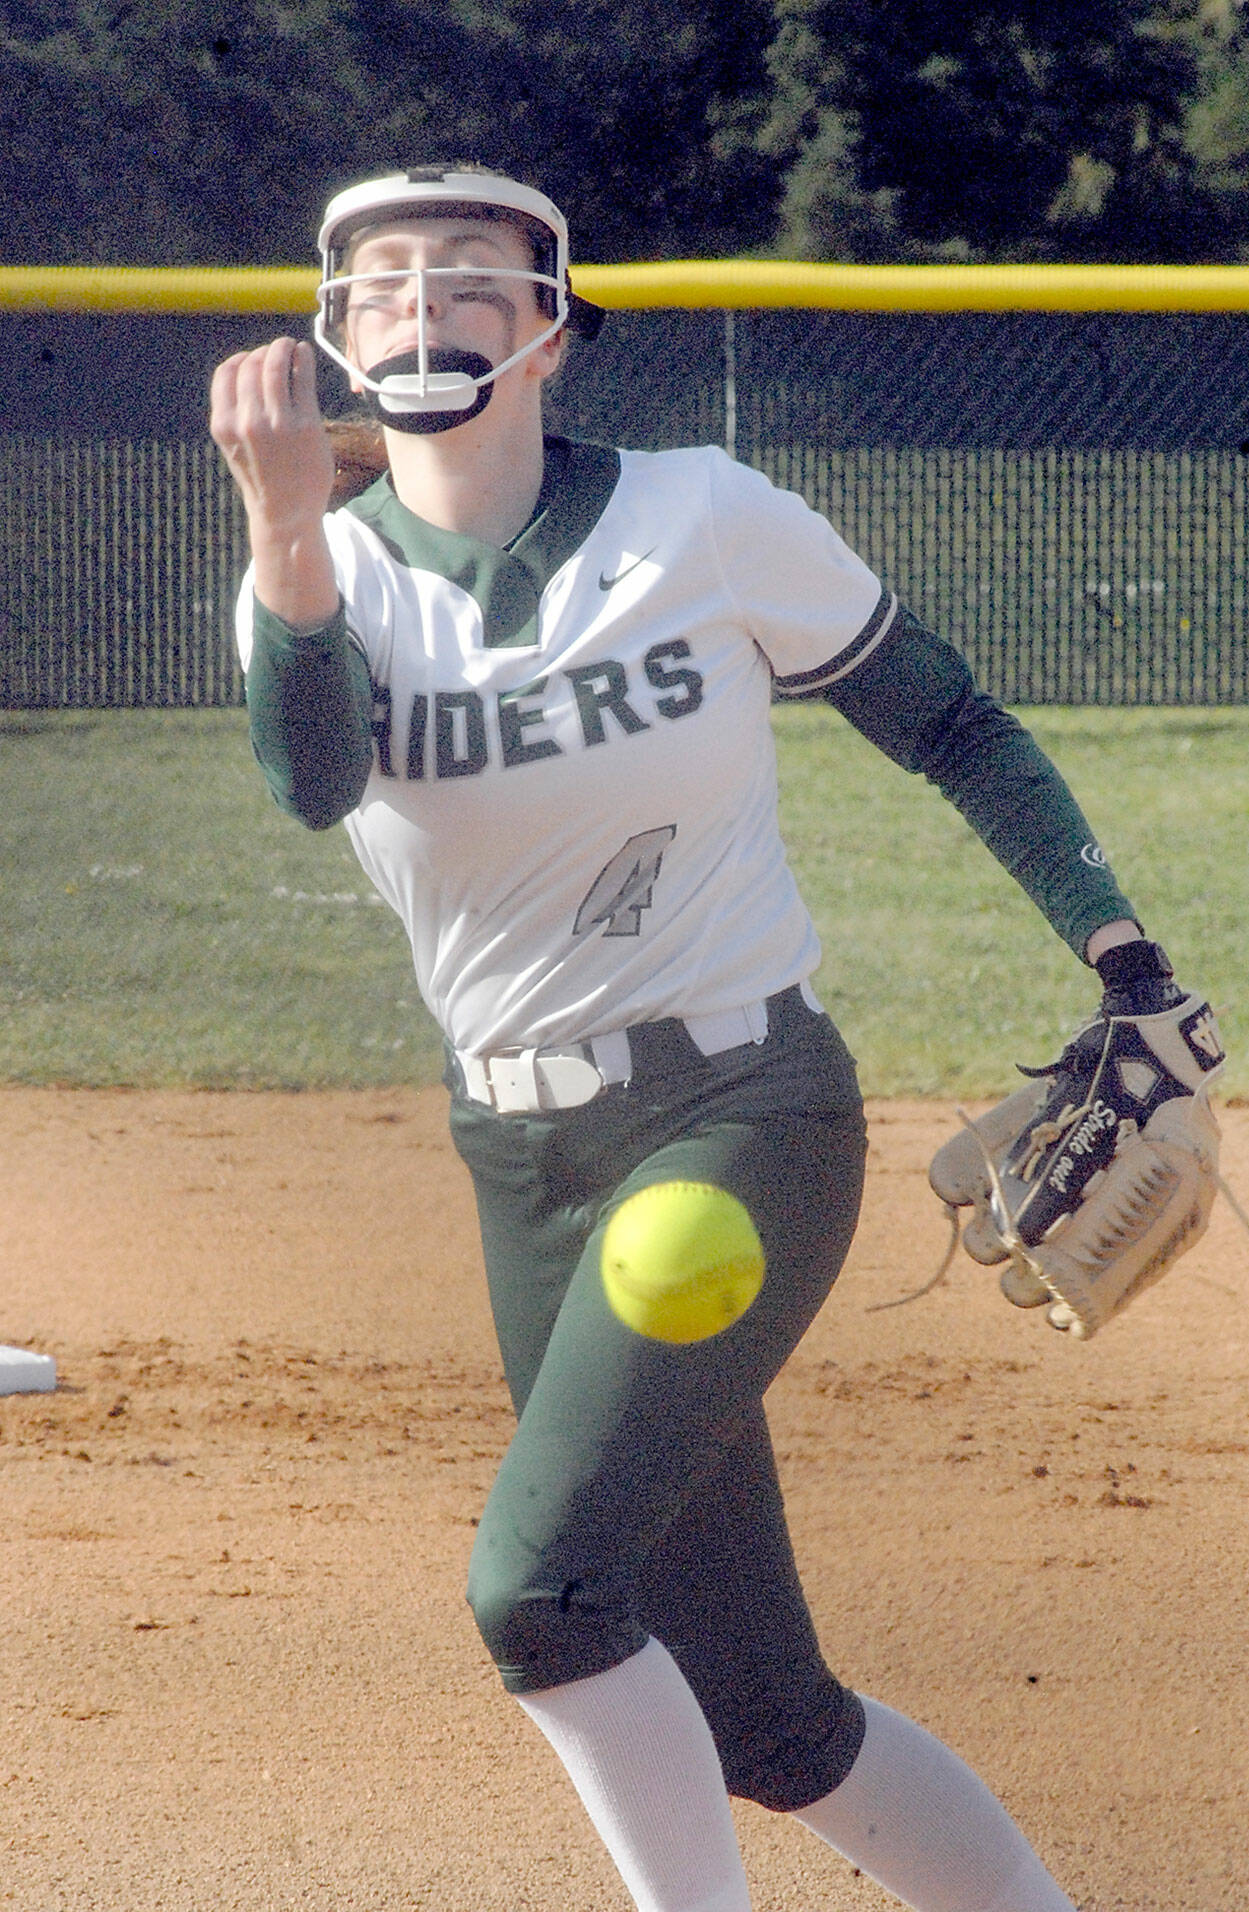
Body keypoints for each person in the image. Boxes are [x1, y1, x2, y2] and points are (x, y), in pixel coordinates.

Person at [209, 161, 1188, 1912]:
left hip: (745, 1113)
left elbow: (952, 719)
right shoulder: (326, 577)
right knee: (766, 1721)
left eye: (474, 277)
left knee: (542, 1591)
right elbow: (310, 782)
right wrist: (286, 537)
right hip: (521, 1162)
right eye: (383, 282)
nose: (425, 306)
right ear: (331, 336)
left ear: (555, 327)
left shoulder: (700, 514)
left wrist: (1121, 951)